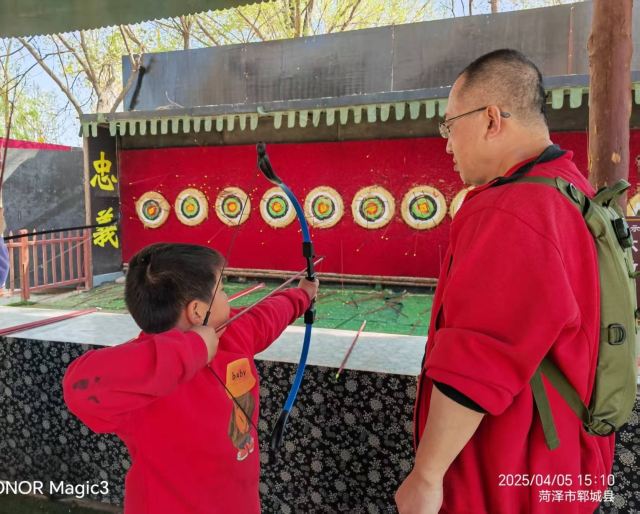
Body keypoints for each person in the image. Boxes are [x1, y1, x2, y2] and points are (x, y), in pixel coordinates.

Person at [395, 49, 613, 514]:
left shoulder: (514, 208)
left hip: (510, 478)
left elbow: (476, 361)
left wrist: (426, 476)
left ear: (491, 119)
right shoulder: (571, 189)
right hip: (565, 464)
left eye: (450, 126)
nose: (447, 145)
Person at [63, 242, 318, 514]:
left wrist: (301, 296)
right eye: (222, 289)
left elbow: (266, 315)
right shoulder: (143, 370)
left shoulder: (232, 332)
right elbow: (78, 387)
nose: (227, 297)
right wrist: (193, 349)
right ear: (197, 311)